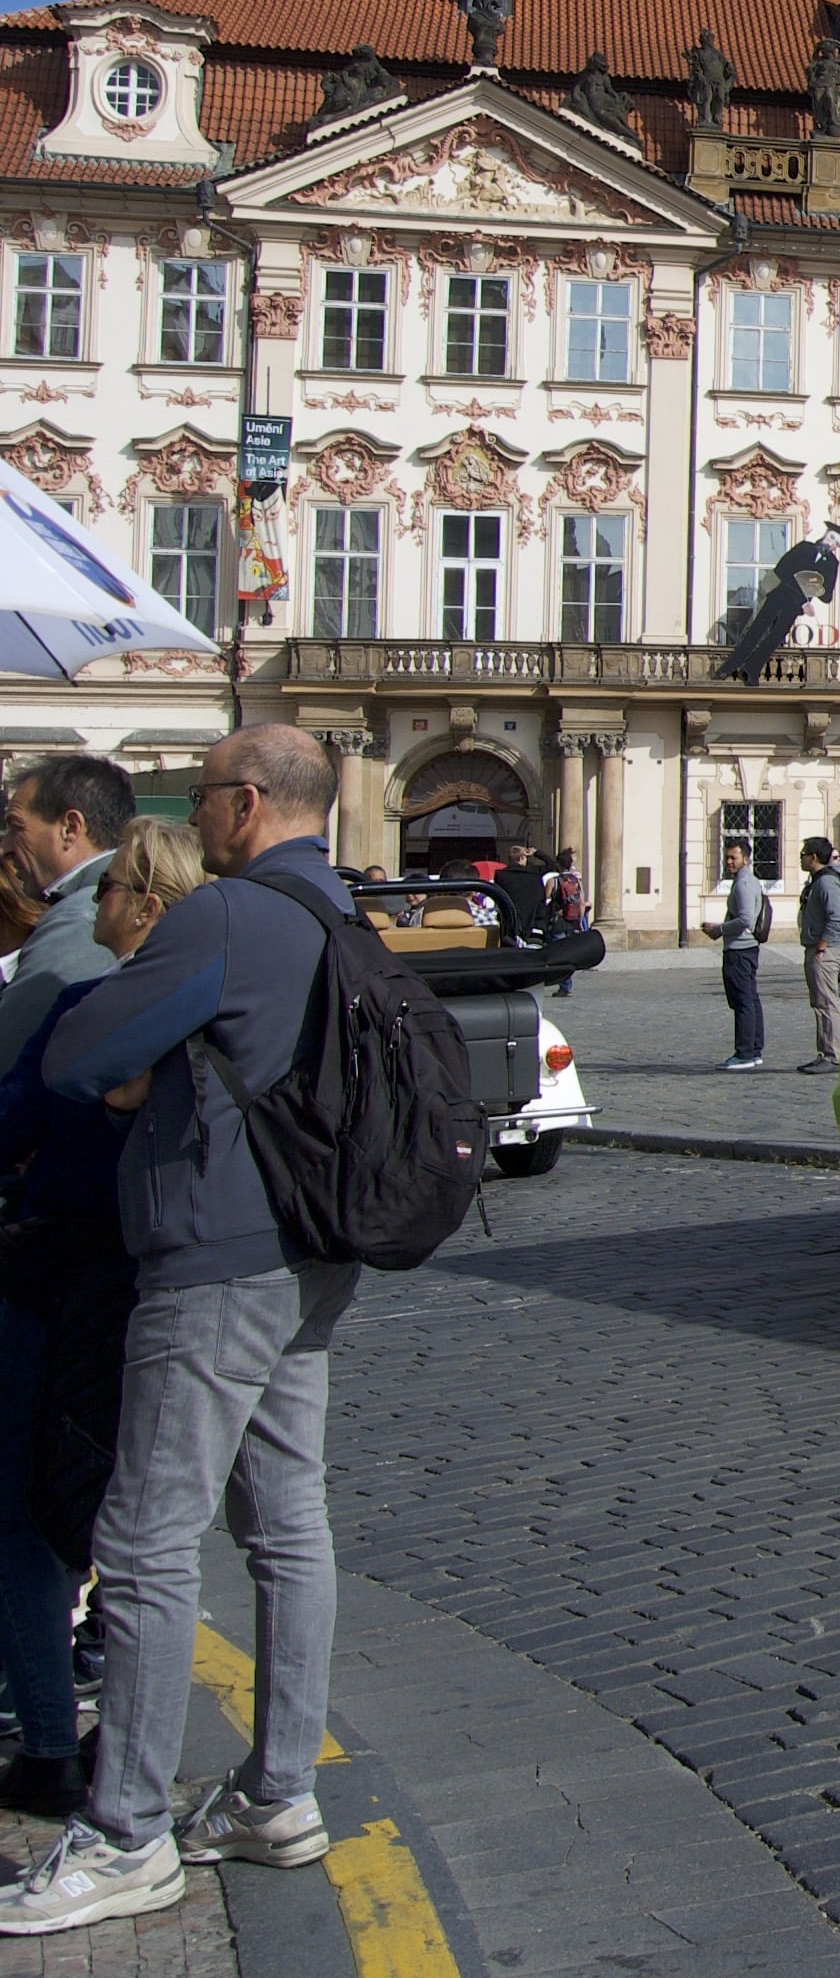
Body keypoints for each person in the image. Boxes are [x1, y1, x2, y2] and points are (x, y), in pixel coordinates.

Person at [0, 729, 361, 1934]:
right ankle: (279, 1793)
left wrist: (135, 1077)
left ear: (245, 803)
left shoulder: (225, 916)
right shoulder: (338, 910)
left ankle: (126, 1832)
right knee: (287, 1524)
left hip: (211, 1252)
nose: (194, 816)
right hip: (311, 1248)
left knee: (146, 1538)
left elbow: (78, 1053)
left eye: (203, 796)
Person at [0, 816, 202, 1820]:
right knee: (143, 1521)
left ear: (145, 907)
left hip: (60, 1279)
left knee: (26, 1515)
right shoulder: (214, 1022)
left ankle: (49, 1741)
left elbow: (13, 1119)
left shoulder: (88, 1007)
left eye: (110, 889)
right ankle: (120, 1735)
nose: (94, 905)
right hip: (170, 1284)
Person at [0, 759, 133, 1073]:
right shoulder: (102, 902)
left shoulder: (84, 915)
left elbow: (11, 1044)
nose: (4, 847)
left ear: (71, 828)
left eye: (16, 827)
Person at [796, 838, 840, 1074]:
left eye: (803, 854)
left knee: (828, 1003)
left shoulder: (827, 883)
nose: (801, 858)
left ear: (814, 857)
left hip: (825, 952)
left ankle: (833, 1055)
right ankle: (824, 1052)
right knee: (819, 1002)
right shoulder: (817, 881)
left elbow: (837, 918)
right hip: (817, 948)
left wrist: (822, 946)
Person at [712, 837, 769, 1074]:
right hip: (745, 948)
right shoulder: (748, 881)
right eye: (727, 857)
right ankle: (753, 1049)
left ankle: (744, 1052)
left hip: (740, 949)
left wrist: (719, 929)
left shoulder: (744, 884)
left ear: (745, 859)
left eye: (733, 857)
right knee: (750, 999)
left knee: (743, 1001)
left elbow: (746, 919)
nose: (729, 862)